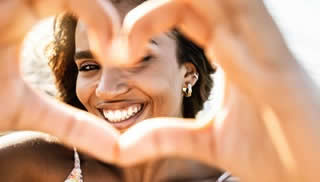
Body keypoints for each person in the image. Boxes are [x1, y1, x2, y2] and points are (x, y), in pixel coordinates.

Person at [0, 0, 319, 182]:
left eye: (138, 60)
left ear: (188, 72)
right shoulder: (29, 163)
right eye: (89, 67)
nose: (107, 89)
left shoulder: (256, 174)